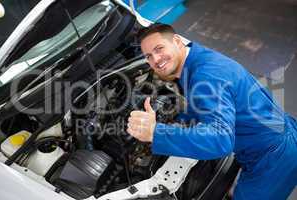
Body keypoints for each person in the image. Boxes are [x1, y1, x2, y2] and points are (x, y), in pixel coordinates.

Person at [126, 23, 297, 200]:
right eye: (148, 56)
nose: (156, 60)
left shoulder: (206, 77)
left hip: (272, 159)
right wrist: (182, 118)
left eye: (159, 48)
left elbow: (220, 140)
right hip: (271, 135)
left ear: (177, 41)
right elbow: (207, 104)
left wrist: (156, 133)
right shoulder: (197, 58)